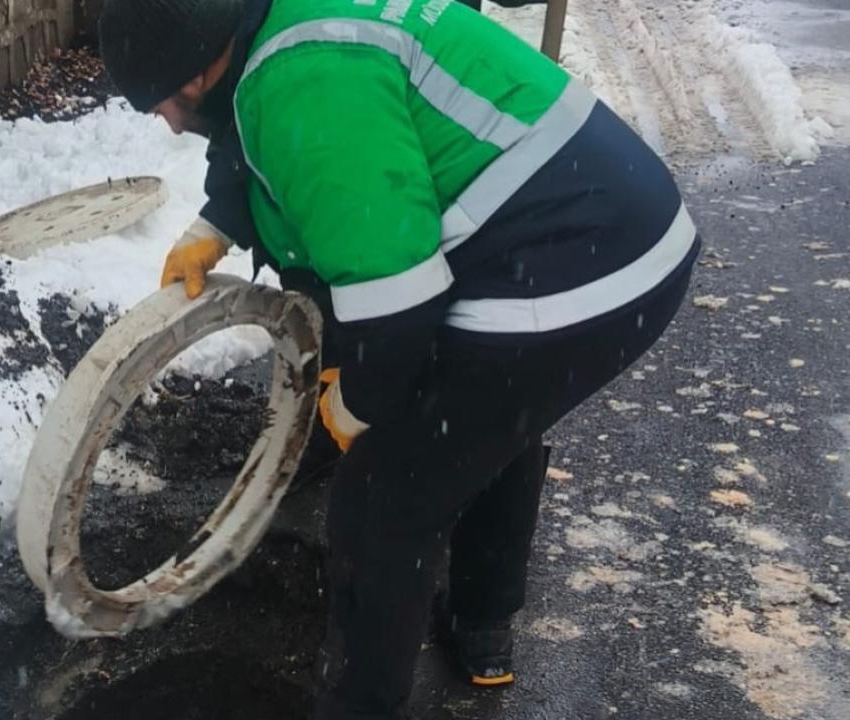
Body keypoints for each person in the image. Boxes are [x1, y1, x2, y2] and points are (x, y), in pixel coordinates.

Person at [99, 1, 699, 718]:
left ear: (200, 69)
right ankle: (481, 627)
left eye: (165, 102)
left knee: (385, 497)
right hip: (613, 224)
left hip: (575, 264)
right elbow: (263, 137)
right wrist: (217, 220)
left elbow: (399, 309)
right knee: (487, 422)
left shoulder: (302, 79)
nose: (167, 123)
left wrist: (356, 406)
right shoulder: (281, 25)